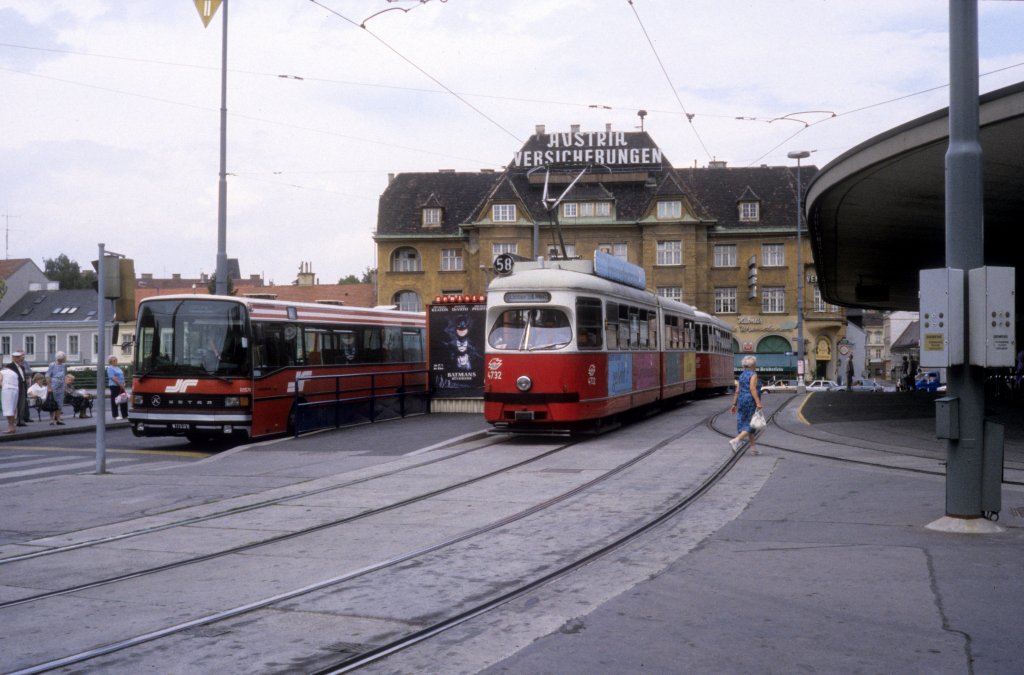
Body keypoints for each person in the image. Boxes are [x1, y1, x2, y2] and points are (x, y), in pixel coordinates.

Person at [729, 355, 763, 455]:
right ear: (753, 365)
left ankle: (753, 449)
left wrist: (734, 404)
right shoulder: (753, 375)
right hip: (750, 400)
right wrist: (758, 402)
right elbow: (752, 389)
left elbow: (737, 390)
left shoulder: (742, 375)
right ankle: (736, 440)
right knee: (752, 424)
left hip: (741, 400)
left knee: (746, 422)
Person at [5, 351, 29, 426]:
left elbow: (23, 377)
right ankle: (14, 421)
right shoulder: (10, 366)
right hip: (14, 386)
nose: (19, 359)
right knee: (14, 404)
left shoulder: (22, 367)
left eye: (20, 357)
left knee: (22, 403)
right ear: (14, 358)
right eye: (17, 357)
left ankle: (20, 420)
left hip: (22, 385)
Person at [46, 351, 68, 425]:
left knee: (60, 402)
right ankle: (52, 419)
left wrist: (65, 386)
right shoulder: (52, 365)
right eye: (60, 359)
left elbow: (65, 376)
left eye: (62, 359)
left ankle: (58, 419)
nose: (61, 360)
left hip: (61, 385)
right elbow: (48, 376)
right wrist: (49, 387)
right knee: (52, 402)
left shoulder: (64, 365)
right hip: (54, 384)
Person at [106, 355, 129, 419]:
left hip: (121, 386)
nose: (116, 361)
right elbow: (113, 378)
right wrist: (120, 384)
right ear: (110, 361)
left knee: (123, 399)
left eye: (116, 360)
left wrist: (124, 383)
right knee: (115, 400)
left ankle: (125, 414)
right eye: (114, 360)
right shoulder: (110, 368)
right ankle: (115, 415)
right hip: (114, 386)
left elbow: (121, 376)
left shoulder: (118, 368)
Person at [1, 360, 20, 433]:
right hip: (15, 390)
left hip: (7, 390)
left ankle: (10, 427)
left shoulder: (2, 372)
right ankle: (13, 427)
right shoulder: (14, 373)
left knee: (7, 409)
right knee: (13, 409)